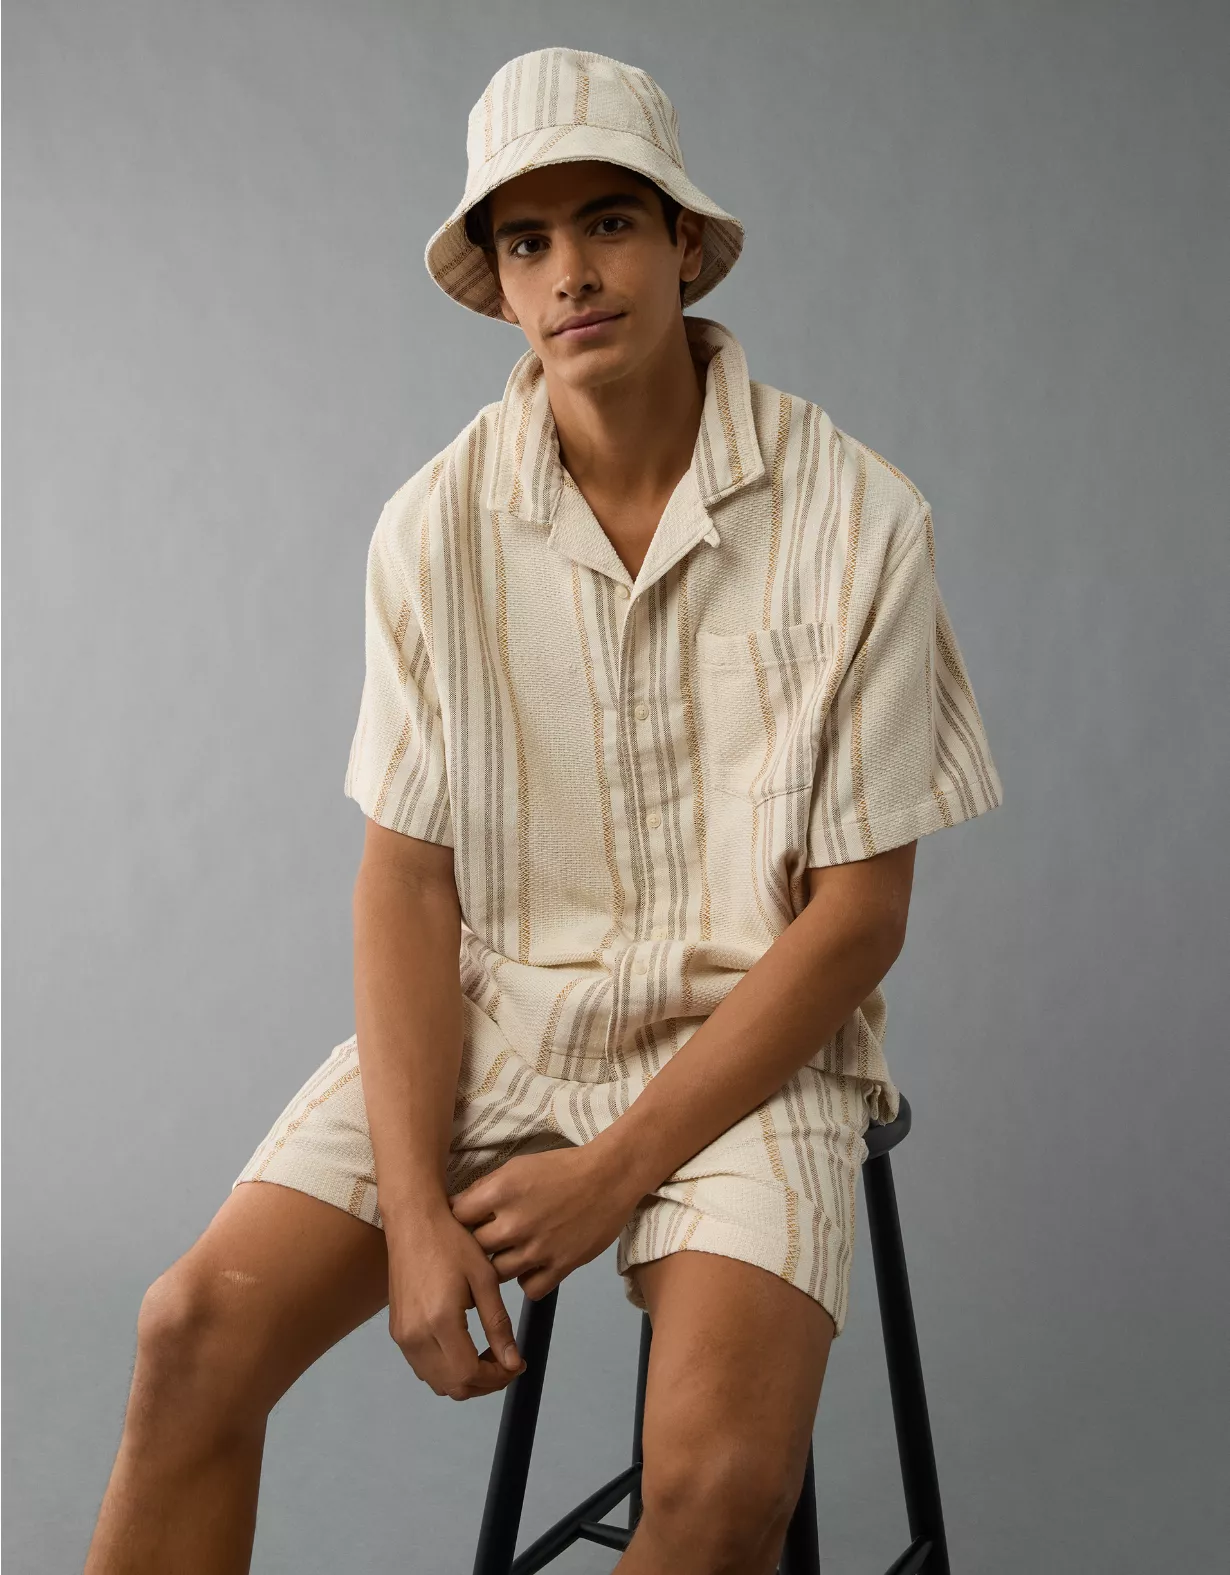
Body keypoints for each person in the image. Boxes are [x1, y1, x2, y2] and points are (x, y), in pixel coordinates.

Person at [84, 46, 1003, 1575]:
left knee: (718, 1489)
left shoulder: (859, 519)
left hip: (754, 1052)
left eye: (609, 222)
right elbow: (406, 884)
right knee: (189, 1330)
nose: (571, 271)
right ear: (501, 286)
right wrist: (416, 1218)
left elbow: (857, 919)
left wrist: (616, 1167)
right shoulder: (433, 528)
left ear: (683, 242)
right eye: (526, 241)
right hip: (500, 1018)